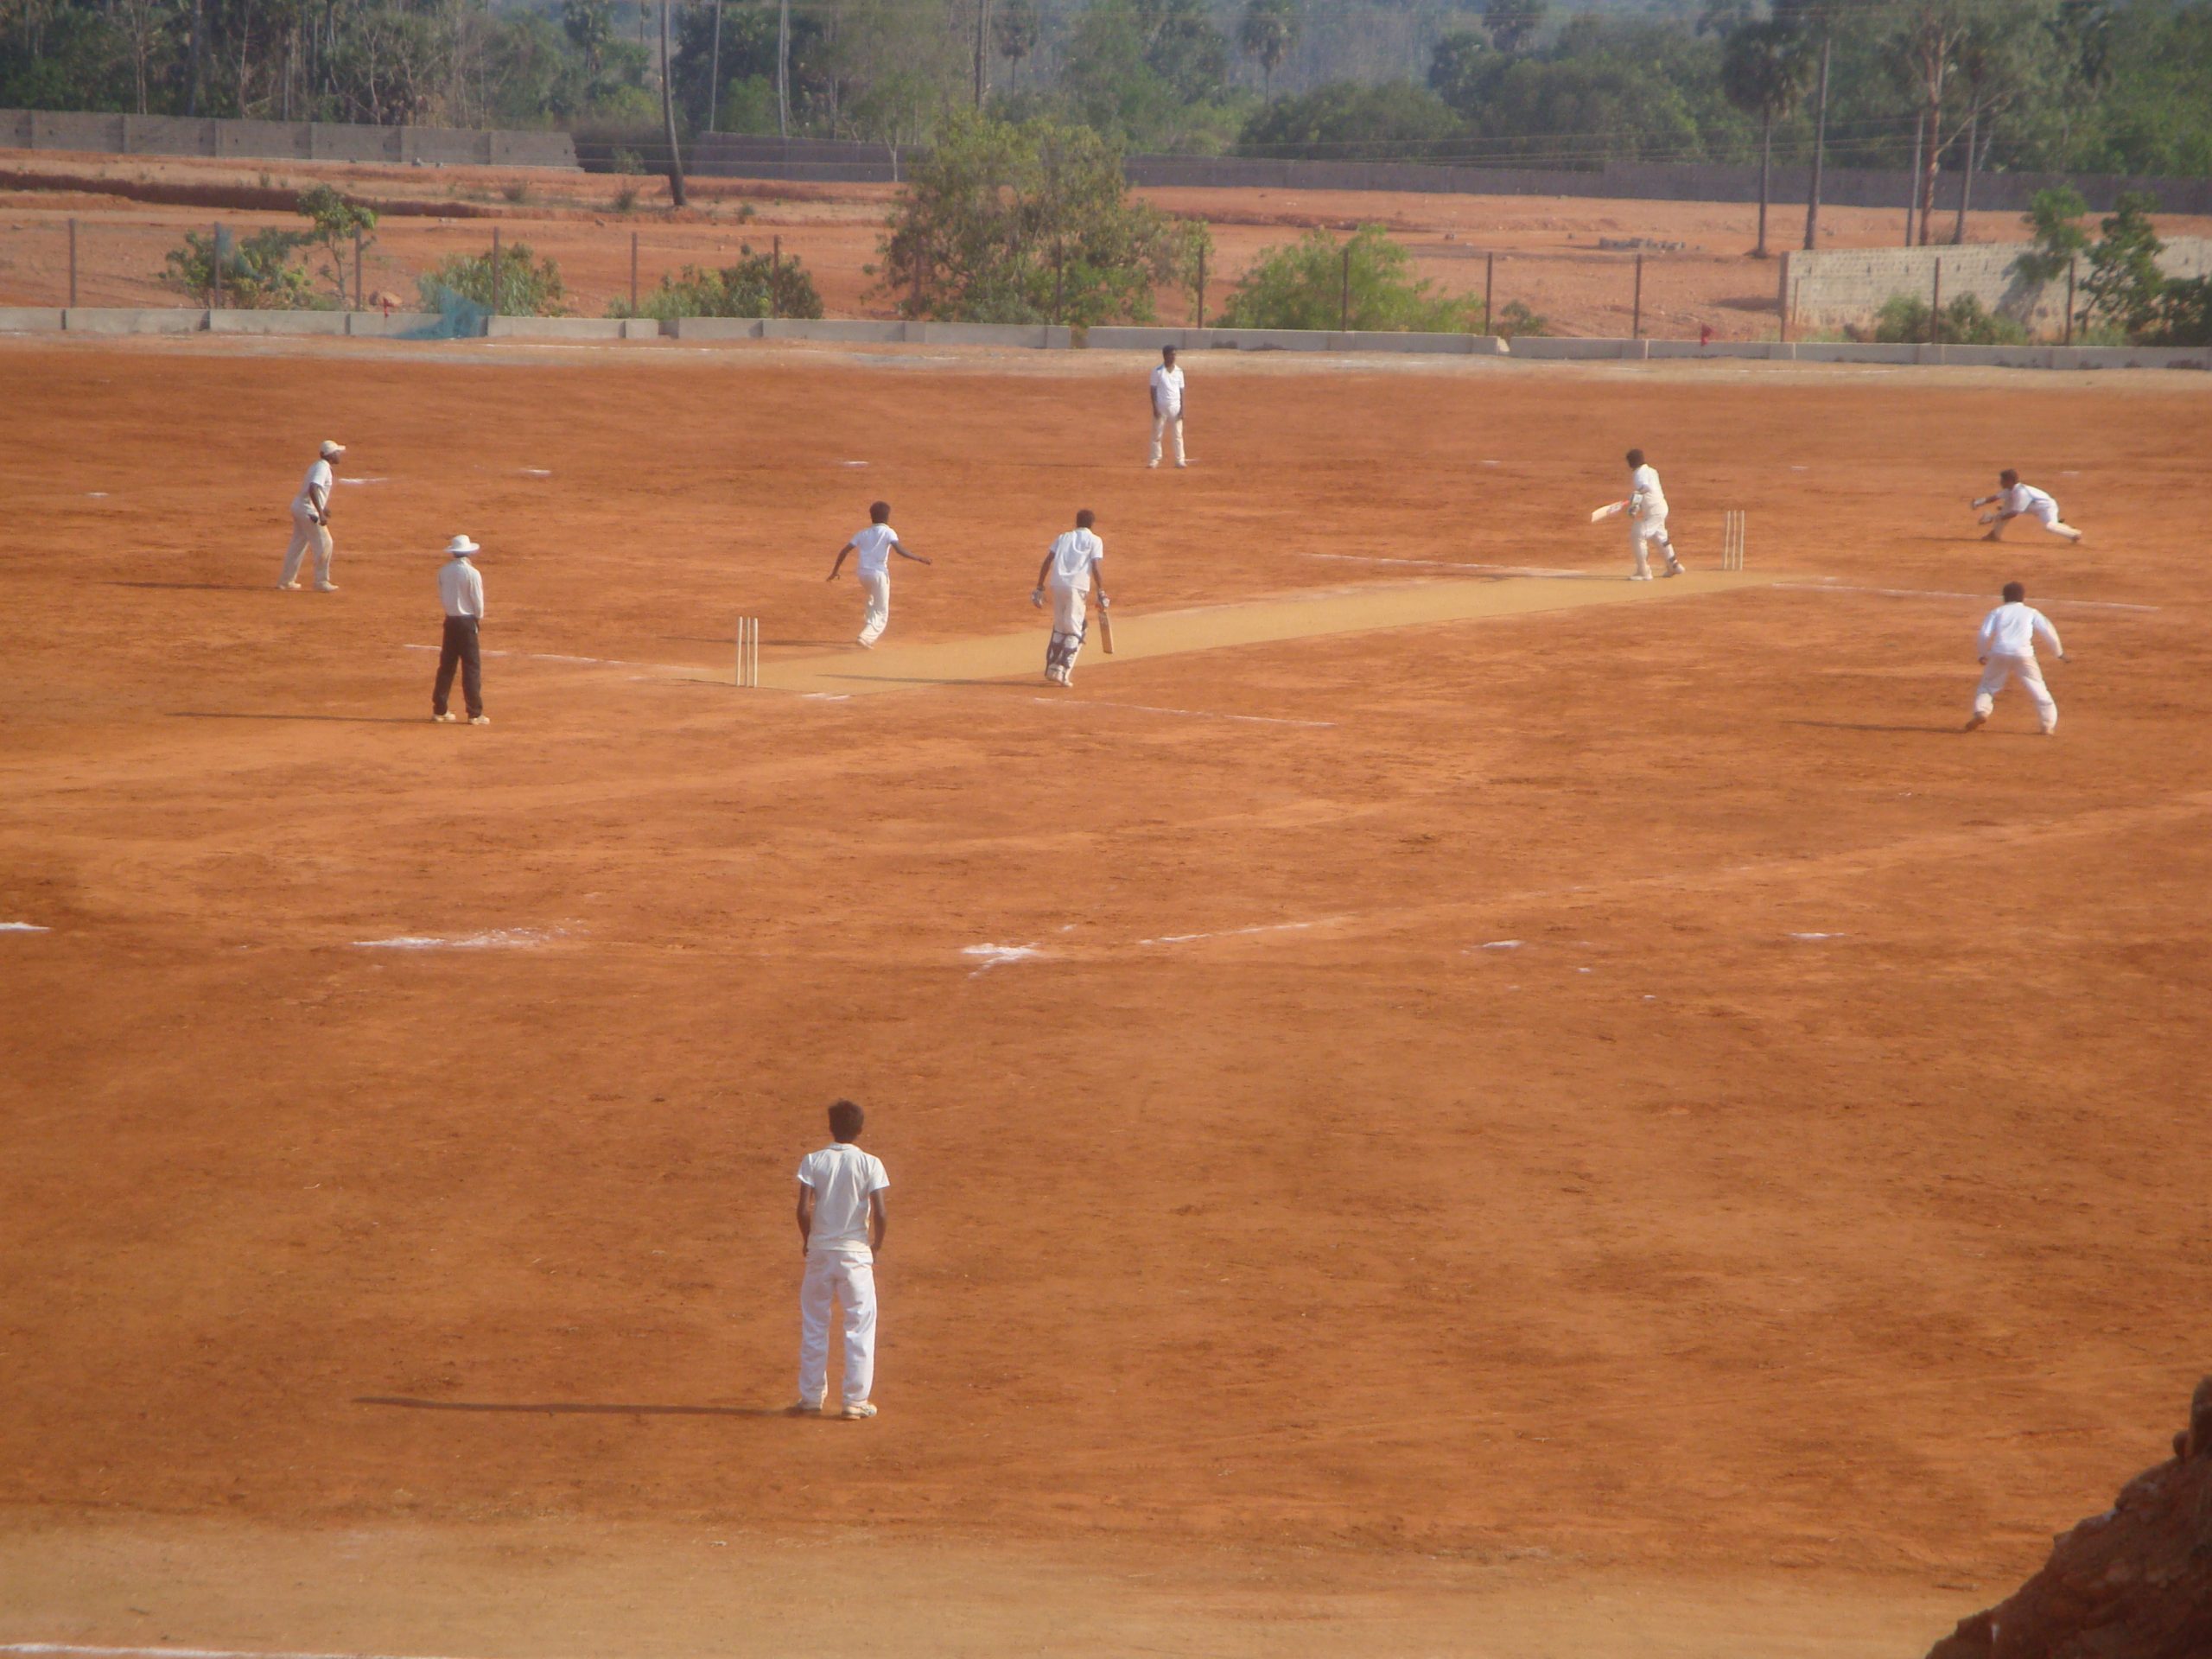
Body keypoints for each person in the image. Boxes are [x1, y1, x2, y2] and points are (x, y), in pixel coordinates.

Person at [793, 1099, 889, 1421]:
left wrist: (809, 1240)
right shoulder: (871, 1164)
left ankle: (810, 1397)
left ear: (830, 1126)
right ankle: (854, 1400)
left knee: (815, 1323)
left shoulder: (813, 1161)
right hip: (856, 1254)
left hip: (820, 1252)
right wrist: (875, 1246)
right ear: (860, 1129)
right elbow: (880, 1212)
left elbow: (803, 1209)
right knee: (859, 1325)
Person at [1966, 580, 2068, 735]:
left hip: (1999, 652)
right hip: (2024, 654)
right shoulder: (2031, 612)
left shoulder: (1997, 612)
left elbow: (1984, 634)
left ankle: (1982, 711)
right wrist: (2059, 653)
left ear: (2004, 597)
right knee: (2038, 688)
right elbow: (2049, 632)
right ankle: (2047, 725)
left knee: (1988, 686)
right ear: (2022, 597)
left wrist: (1982, 654)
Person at [827, 500, 931, 649]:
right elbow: (899, 550)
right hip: (879, 574)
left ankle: (868, 627)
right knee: (882, 611)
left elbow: (844, 551)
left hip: (863, 574)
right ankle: (866, 637)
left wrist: (835, 571)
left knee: (871, 600)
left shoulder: (862, 533)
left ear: (871, 516)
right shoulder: (889, 532)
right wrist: (919, 558)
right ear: (887, 517)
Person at [1033, 509, 1108, 687]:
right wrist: (1101, 592)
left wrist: (1039, 587)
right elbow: (1095, 566)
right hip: (1077, 587)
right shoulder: (1095, 540)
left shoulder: (1063, 537)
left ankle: (1051, 668)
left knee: (1060, 628)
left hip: (1057, 584)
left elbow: (1047, 560)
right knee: (1077, 629)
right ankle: (1063, 672)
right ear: (1092, 524)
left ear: (1077, 522)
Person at [430, 534, 489, 726]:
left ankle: (440, 710)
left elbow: (442, 595)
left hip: (451, 621)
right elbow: (477, 601)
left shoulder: (443, 571)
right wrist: (477, 619)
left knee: (446, 666)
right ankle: (474, 713)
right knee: (471, 667)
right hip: (467, 622)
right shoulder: (472, 573)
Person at [277, 440, 344, 592]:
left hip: (299, 507)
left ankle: (286, 581)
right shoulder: (323, 469)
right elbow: (313, 487)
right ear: (330, 455)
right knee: (325, 543)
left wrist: (323, 506)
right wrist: (320, 513)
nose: (339, 455)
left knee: (298, 544)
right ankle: (321, 581)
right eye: (337, 452)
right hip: (308, 511)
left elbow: (314, 490)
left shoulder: (318, 465)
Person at [1974, 469, 2085, 544]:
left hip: (2046, 507)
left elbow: (2014, 513)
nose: (2000, 482)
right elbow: (1995, 497)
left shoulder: (2022, 492)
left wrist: (1993, 518)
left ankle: (2075, 534)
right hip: (2032, 506)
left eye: (2002, 480)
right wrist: (1979, 502)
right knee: (2004, 509)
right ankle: (1994, 535)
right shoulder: (2010, 490)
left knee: (2050, 527)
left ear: (2010, 481)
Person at [1148, 346, 1187, 470]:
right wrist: (1155, 408)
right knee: (1157, 435)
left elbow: (1181, 391)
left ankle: (1179, 460)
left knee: (1178, 435)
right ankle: (1155, 460)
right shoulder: (1157, 371)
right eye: (1171, 354)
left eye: (1175, 354)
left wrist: (1182, 409)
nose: (1173, 357)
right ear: (1165, 355)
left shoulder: (1179, 372)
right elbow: (1153, 390)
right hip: (1161, 407)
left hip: (1175, 407)